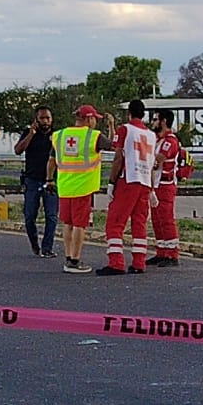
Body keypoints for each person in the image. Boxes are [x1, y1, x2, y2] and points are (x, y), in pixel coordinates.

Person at [47, 105, 115, 273]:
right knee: (79, 225)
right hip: (83, 188)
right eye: (94, 119)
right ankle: (75, 261)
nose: (95, 123)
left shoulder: (60, 135)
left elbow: (51, 160)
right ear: (88, 119)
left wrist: (49, 180)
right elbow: (113, 145)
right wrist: (112, 126)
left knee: (67, 223)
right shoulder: (93, 136)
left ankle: (68, 257)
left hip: (64, 187)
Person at [98, 99, 157, 276]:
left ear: (129, 113)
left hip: (128, 179)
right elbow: (152, 163)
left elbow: (118, 157)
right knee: (139, 223)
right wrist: (152, 189)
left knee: (115, 222)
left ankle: (116, 263)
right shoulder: (152, 135)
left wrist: (111, 182)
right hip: (145, 182)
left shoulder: (125, 129)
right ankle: (139, 263)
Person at [13, 106, 57, 257]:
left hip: (51, 181)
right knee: (30, 215)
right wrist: (31, 134)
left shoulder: (57, 135)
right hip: (32, 180)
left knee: (51, 216)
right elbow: (18, 150)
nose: (45, 121)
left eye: (48, 118)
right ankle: (34, 244)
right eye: (42, 118)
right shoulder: (28, 133)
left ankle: (47, 248)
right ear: (36, 120)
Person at [148, 109, 183, 267]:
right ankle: (161, 251)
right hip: (156, 184)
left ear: (163, 121)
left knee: (166, 219)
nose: (152, 123)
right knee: (157, 219)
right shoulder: (157, 139)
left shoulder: (170, 141)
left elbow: (158, 160)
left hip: (166, 185)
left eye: (155, 119)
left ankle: (172, 254)